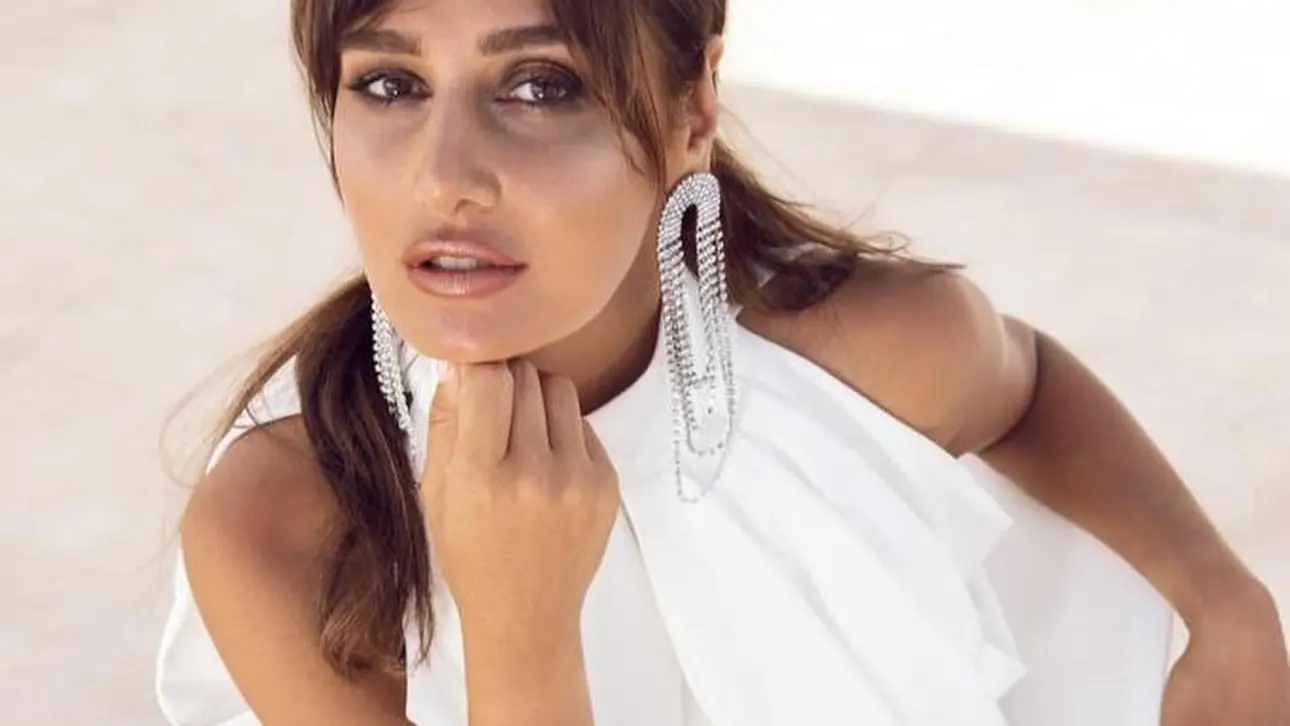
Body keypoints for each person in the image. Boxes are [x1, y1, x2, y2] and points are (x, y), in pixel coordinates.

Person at [155, 0, 1289, 724]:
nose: (443, 177)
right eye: (390, 84)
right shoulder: (285, 527)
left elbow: (1025, 386)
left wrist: (1225, 603)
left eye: (541, 85)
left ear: (692, 110)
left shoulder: (861, 363)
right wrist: (518, 631)